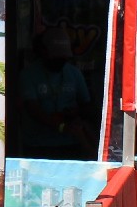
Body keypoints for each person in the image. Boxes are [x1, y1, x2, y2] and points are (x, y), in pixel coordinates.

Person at [16, 24, 94, 158]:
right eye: (56, 58)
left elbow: (87, 105)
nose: (60, 62)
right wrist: (60, 126)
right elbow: (32, 109)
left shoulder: (74, 72)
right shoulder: (28, 75)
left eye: (64, 58)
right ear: (43, 52)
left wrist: (75, 113)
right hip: (38, 145)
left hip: (71, 143)